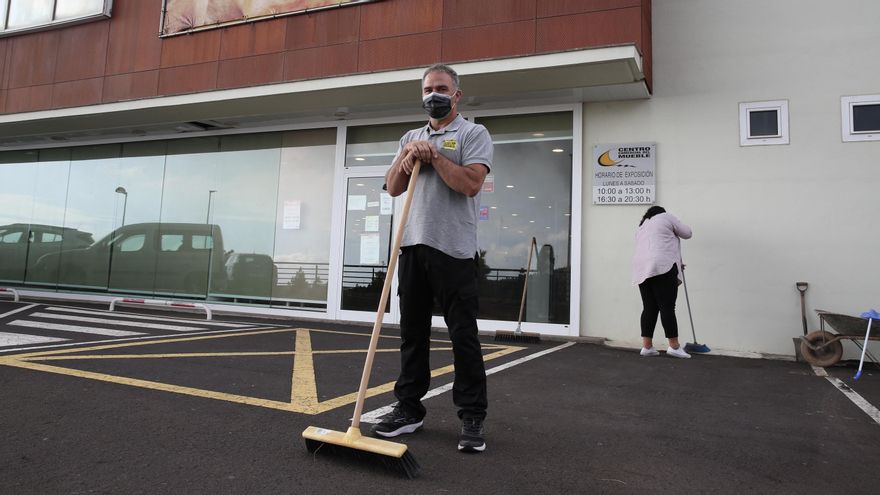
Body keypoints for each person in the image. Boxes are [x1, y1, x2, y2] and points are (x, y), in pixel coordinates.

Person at [370, 64, 493, 453]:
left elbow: (471, 185)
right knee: (413, 335)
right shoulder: (410, 136)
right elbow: (392, 187)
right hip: (412, 246)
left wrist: (435, 156)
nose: (433, 94)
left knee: (463, 337)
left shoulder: (473, 133)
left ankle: (471, 415)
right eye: (427, 89)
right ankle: (409, 409)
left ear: (456, 95)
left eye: (441, 88)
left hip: (453, 250)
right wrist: (408, 154)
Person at [632, 206, 693, 358]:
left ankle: (647, 347)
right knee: (667, 307)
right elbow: (687, 233)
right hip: (663, 267)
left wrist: (676, 263)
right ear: (662, 212)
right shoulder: (666, 217)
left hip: (642, 269)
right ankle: (674, 346)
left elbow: (656, 248)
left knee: (649, 308)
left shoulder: (642, 226)